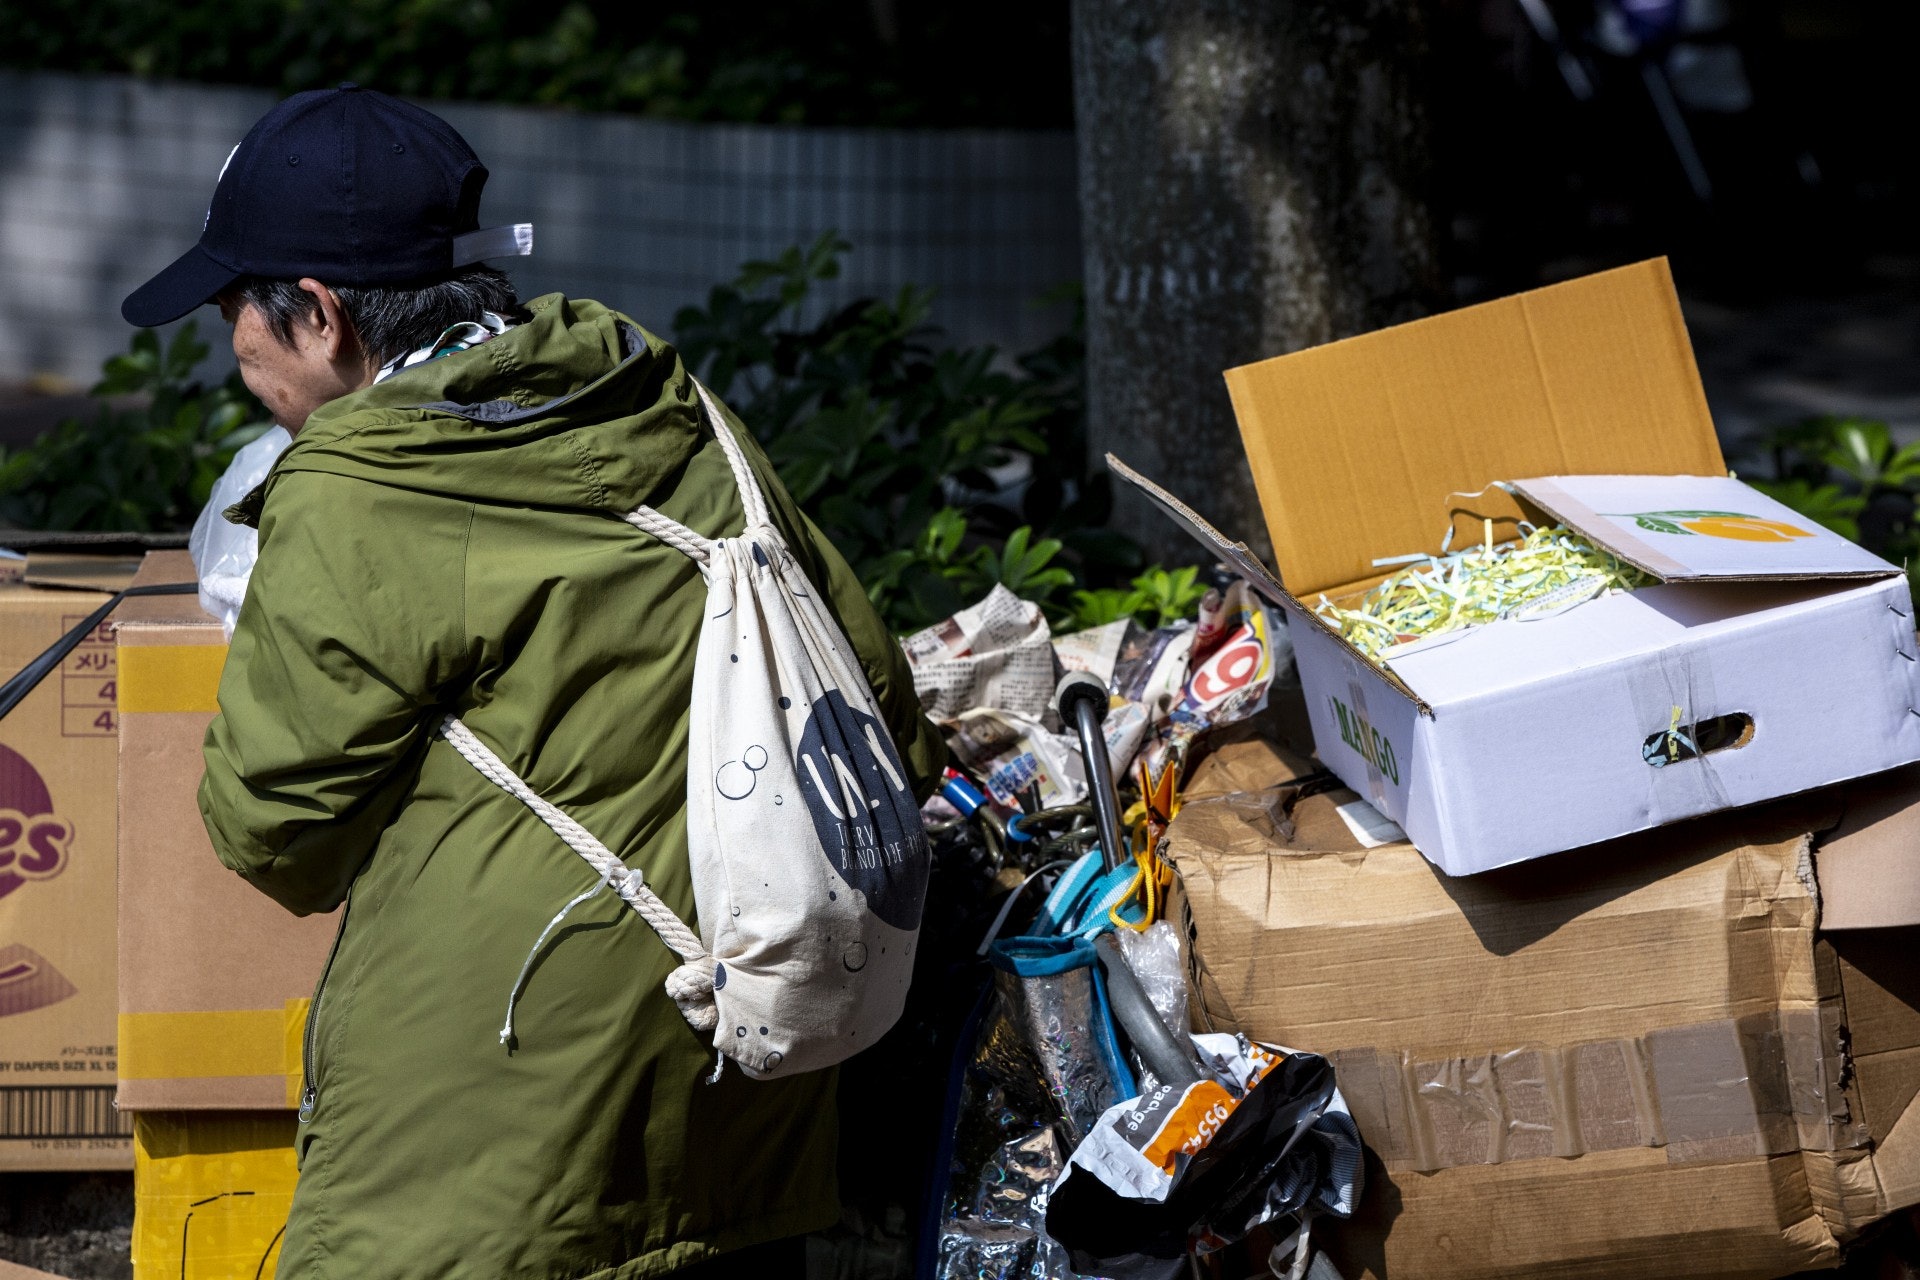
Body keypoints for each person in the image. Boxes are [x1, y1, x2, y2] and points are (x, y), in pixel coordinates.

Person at [122, 85, 946, 1279]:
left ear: (316, 312)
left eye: (232, 314)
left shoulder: (360, 483)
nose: (233, 355)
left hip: (493, 1139)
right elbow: (880, 704)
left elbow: (273, 828)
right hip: (743, 1082)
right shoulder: (671, 405)